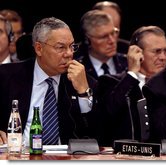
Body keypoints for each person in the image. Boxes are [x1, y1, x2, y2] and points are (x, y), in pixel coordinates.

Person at [0, 17, 97, 146]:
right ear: (39, 48)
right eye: (60, 47)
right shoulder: (6, 76)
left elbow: (95, 133)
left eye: (72, 46)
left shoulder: (83, 80)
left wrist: (83, 93)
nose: (69, 53)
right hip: (18, 155)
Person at [96, 26, 166, 146]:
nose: (163, 57)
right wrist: (132, 74)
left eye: (165, 51)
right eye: (157, 51)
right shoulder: (110, 82)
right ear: (136, 52)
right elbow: (108, 114)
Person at [76, 9, 127, 80]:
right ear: (87, 40)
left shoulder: (128, 64)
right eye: (104, 37)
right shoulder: (77, 71)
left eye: (113, 33)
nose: (112, 41)